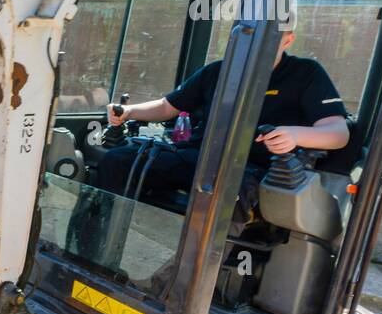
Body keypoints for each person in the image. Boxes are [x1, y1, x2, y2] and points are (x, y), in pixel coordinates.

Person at [95, 30, 350, 203]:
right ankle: (99, 244)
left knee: (226, 199)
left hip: (255, 170)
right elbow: (167, 106)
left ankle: (191, 276)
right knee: (119, 160)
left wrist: (295, 135)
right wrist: (129, 112)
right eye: (249, 33)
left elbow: (338, 134)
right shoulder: (219, 71)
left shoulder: (306, 74)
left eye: (267, 35)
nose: (254, 43)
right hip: (199, 158)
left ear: (287, 38)